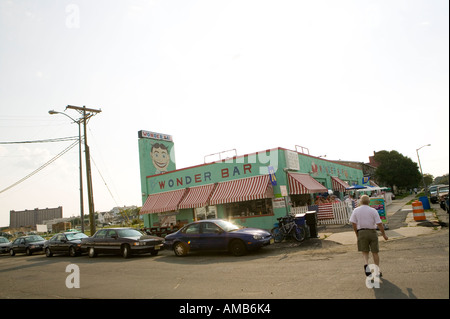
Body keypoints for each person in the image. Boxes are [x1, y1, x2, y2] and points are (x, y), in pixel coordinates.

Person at [349, 195, 388, 277]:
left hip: (361, 232)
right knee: (375, 252)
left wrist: (357, 234)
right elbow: (379, 224)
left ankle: (366, 264)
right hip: (372, 232)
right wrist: (384, 234)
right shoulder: (373, 210)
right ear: (369, 202)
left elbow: (353, 223)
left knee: (365, 251)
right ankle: (377, 270)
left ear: (360, 202)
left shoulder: (356, 210)